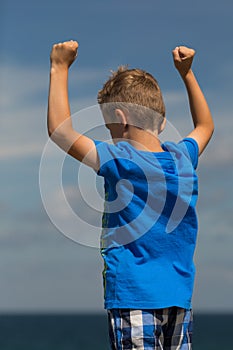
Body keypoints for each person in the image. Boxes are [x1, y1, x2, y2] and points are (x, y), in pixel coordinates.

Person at [47, 40, 214, 350]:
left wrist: (59, 67)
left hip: (134, 297)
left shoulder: (120, 160)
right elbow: (205, 125)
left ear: (120, 118)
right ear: (162, 122)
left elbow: (60, 131)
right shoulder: (182, 158)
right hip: (179, 300)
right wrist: (187, 73)